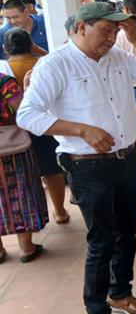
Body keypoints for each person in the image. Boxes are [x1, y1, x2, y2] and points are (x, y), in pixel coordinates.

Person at [16, 2, 136, 314]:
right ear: (81, 28)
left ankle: (120, 292)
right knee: (101, 240)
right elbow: (28, 115)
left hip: (126, 158)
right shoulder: (55, 65)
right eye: (105, 30)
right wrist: (81, 129)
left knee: (127, 232)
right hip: (88, 166)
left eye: (115, 31)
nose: (111, 38)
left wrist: (135, 36)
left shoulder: (117, 58)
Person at [3, 28, 69, 224]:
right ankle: (59, 210)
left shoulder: (4, 70)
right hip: (44, 125)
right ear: (31, 45)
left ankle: (29, 218)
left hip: (15, 132)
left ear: (5, 48)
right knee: (51, 169)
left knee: (23, 176)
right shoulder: (43, 65)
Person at [0, 73, 48, 264]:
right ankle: (26, 247)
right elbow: (23, 113)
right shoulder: (5, 83)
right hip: (13, 149)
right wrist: (26, 90)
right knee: (21, 193)